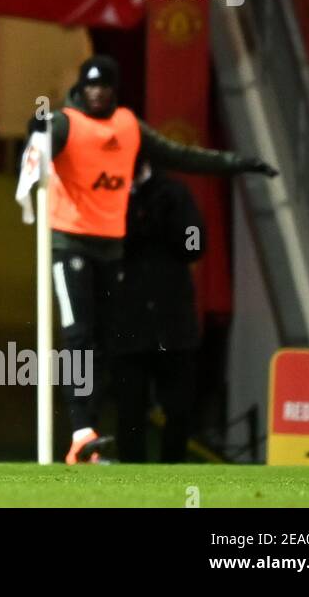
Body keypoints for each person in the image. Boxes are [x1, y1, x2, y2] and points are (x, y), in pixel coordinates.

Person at [24, 55, 276, 464]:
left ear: (115, 89)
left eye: (105, 85)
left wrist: (237, 163)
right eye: (90, 85)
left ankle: (88, 440)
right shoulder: (68, 123)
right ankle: (80, 432)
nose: (97, 92)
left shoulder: (129, 128)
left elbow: (184, 156)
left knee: (102, 345)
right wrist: (36, 134)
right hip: (70, 244)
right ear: (80, 89)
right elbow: (40, 145)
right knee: (79, 338)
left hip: (109, 248)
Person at [112, 161, 204, 462]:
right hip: (128, 322)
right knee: (129, 409)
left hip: (173, 323)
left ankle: (174, 471)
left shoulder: (174, 193)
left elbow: (195, 244)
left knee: (179, 408)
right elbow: (108, 245)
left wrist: (170, 223)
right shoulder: (109, 192)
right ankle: (131, 476)